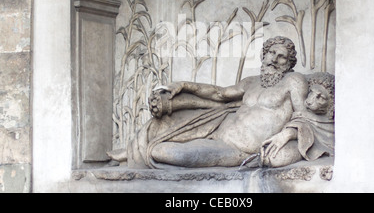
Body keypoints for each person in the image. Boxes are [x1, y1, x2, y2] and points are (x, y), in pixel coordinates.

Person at [126, 36, 310, 169]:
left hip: (238, 149)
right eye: (271, 53)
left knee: (162, 152)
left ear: (289, 63)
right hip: (215, 132)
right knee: (157, 134)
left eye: (282, 56)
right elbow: (219, 94)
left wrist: (285, 136)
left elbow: (305, 117)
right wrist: (182, 85)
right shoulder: (251, 82)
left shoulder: (293, 81)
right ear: (263, 55)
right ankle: (126, 153)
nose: (274, 59)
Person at [260, 72, 335, 168]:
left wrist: (288, 134)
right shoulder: (304, 112)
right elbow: (301, 122)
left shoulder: (334, 124)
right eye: (311, 92)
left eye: (321, 98)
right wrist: (287, 134)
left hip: (313, 145)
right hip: (303, 140)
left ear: (331, 103)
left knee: (274, 158)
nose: (310, 101)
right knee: (270, 154)